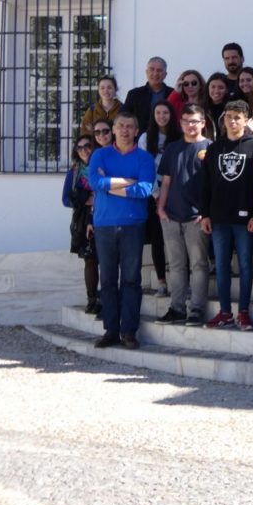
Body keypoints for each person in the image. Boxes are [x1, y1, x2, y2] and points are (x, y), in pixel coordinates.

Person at [88, 112, 156, 350]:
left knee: (131, 279)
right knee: (107, 279)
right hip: (104, 224)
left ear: (136, 131)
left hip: (133, 224)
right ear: (114, 130)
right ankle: (111, 330)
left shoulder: (144, 158)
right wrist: (128, 181)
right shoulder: (100, 155)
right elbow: (95, 183)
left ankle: (129, 331)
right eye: (121, 126)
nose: (125, 130)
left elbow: (145, 189)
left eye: (130, 126)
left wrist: (109, 184)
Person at [200, 100, 253, 331]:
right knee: (222, 265)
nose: (233, 121)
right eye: (229, 117)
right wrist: (205, 214)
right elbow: (205, 184)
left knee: (245, 265)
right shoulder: (215, 148)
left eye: (237, 117)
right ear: (223, 119)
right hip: (219, 218)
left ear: (246, 121)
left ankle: (243, 312)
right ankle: (225, 312)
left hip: (245, 219)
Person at [155, 104, 212, 327]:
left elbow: (215, 185)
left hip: (197, 217)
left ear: (203, 123)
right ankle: (176, 308)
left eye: (194, 121)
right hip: (171, 216)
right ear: (180, 123)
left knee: (198, 264)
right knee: (176, 264)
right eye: (186, 121)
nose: (190, 125)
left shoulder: (210, 148)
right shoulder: (172, 149)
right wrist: (160, 208)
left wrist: (207, 212)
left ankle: (196, 309)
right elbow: (166, 181)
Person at [138, 100, 182, 297]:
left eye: (165, 112)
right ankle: (162, 283)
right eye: (158, 113)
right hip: (153, 191)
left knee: (178, 238)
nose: (162, 116)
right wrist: (156, 195)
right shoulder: (146, 138)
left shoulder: (179, 136)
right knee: (158, 239)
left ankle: (181, 282)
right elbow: (144, 168)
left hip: (175, 191)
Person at [62, 134, 100, 314]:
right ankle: (92, 299)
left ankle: (106, 296)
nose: (84, 150)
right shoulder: (75, 172)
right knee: (90, 259)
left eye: (87, 146)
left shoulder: (102, 166)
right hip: (83, 221)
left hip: (103, 216)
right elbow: (65, 199)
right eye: (80, 147)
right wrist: (85, 200)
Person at [124, 57, 172, 134]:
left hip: (168, 137)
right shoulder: (134, 94)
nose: (155, 74)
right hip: (141, 138)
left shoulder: (172, 94)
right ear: (146, 72)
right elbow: (125, 118)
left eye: (159, 70)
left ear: (165, 74)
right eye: (152, 69)